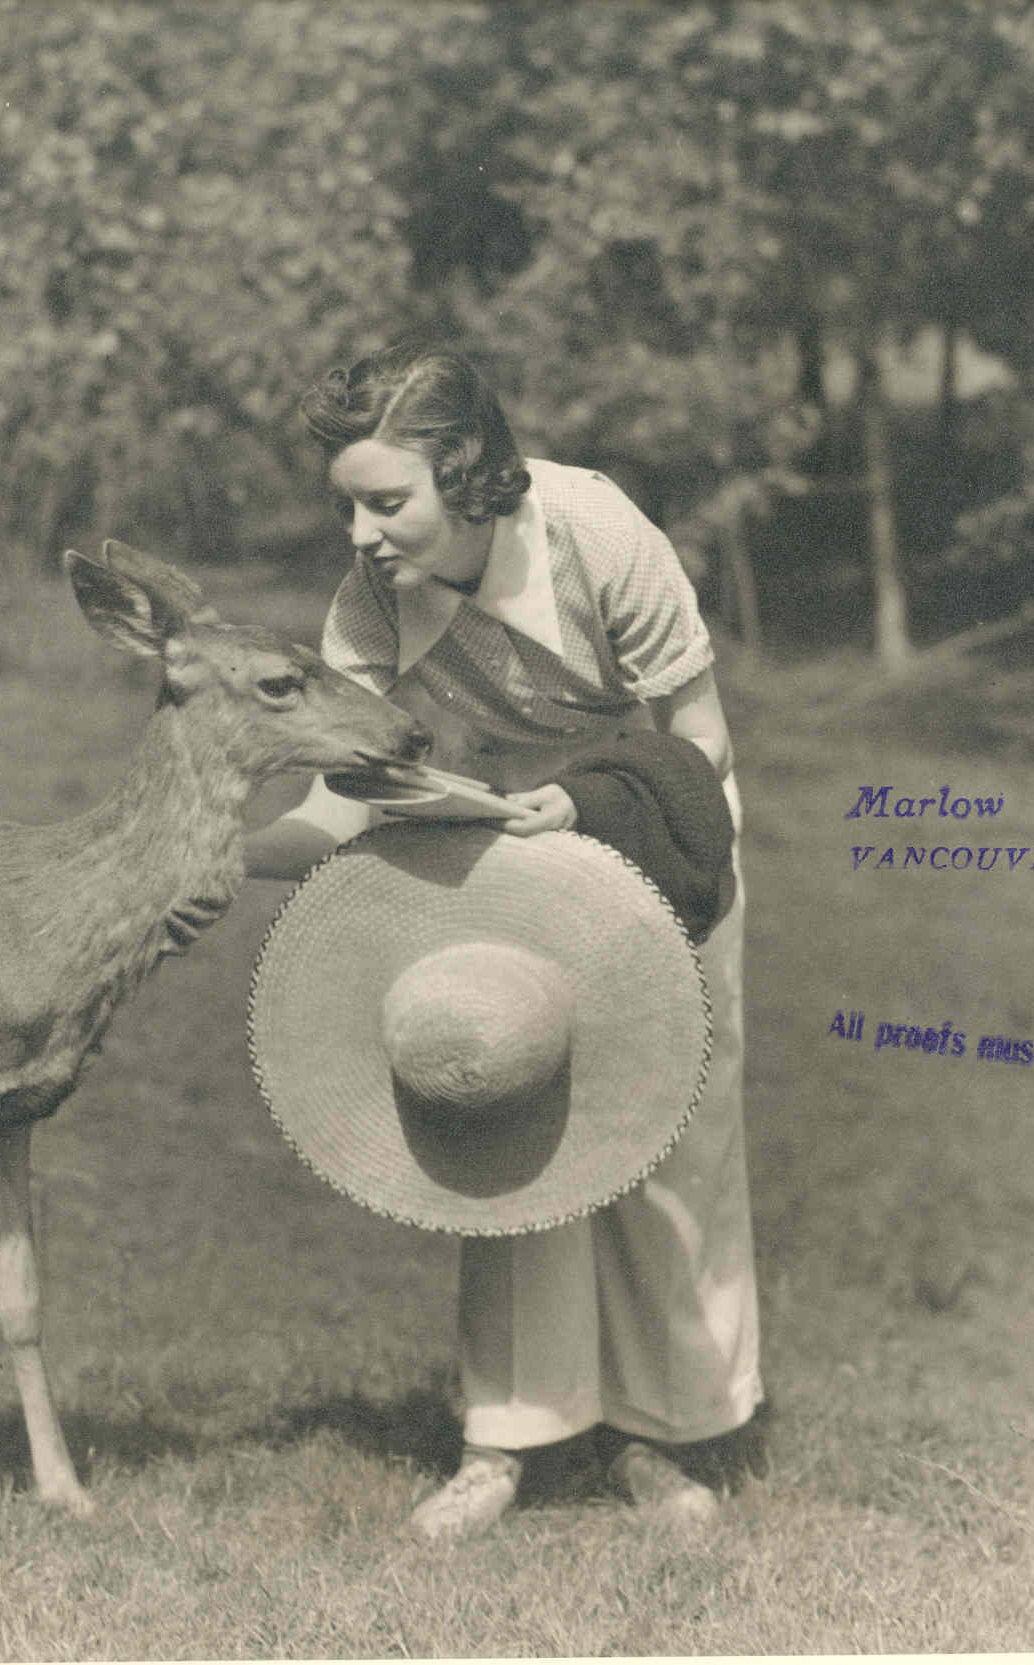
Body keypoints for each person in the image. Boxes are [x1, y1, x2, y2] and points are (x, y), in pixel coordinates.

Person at [244, 340, 763, 1537]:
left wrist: (584, 808)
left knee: (665, 1145)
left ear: (467, 470)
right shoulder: (371, 594)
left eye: (387, 502)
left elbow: (702, 744)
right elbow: (342, 797)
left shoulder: (594, 532)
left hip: (657, 829)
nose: (362, 534)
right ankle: (508, 1441)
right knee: (506, 1123)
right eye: (346, 505)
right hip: (502, 859)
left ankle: (662, 1439)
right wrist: (219, 860)